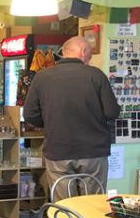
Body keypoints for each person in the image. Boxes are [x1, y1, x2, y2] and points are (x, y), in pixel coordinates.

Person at [24, 36, 120, 199]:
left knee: (64, 207)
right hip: (93, 151)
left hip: (58, 149)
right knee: (92, 206)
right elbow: (112, 112)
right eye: (89, 57)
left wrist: (49, 122)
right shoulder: (96, 75)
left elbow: (29, 115)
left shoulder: (42, 77)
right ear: (83, 52)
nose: (88, 61)